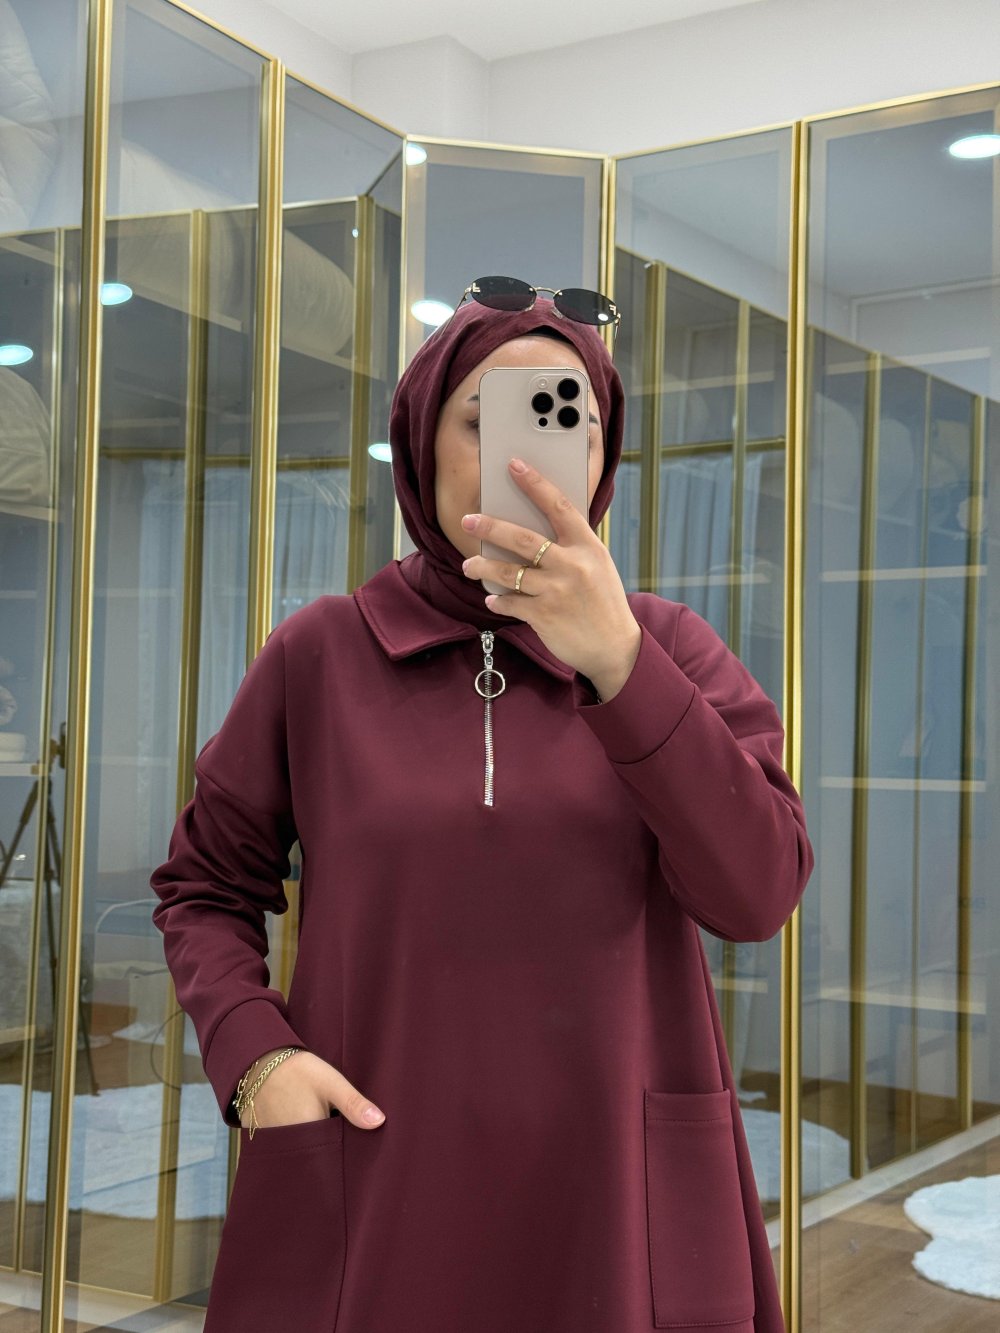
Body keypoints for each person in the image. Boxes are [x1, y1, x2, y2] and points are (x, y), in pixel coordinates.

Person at [150, 284, 814, 1333]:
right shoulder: (321, 654)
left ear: (603, 457)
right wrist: (255, 1055)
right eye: (487, 419)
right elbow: (203, 887)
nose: (531, 459)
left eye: (569, 422)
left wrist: (621, 665)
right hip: (380, 1171)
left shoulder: (670, 650)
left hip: (614, 1185)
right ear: (420, 442)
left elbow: (757, 893)